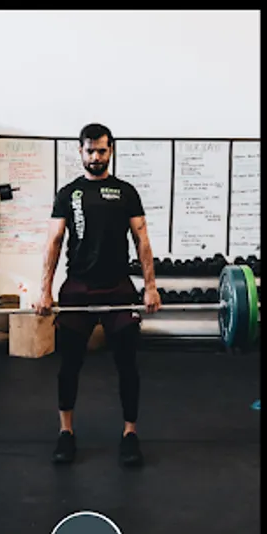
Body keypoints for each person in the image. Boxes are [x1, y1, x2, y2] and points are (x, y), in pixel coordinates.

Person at [33, 123, 161, 467]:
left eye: (101, 150)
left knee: (127, 365)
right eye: (90, 151)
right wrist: (44, 291)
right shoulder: (68, 193)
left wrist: (150, 287)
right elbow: (54, 242)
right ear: (80, 151)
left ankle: (130, 433)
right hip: (78, 287)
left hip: (118, 286)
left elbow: (142, 240)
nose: (95, 157)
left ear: (111, 151)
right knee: (69, 365)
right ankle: (66, 432)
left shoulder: (126, 192)